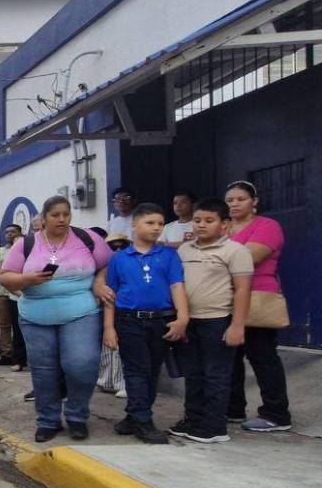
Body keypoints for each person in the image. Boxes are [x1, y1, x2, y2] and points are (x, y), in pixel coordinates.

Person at [0, 196, 113, 442]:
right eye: (55, 215)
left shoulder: (87, 238)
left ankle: (77, 416)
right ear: (43, 218)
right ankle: (48, 420)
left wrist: (99, 282)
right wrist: (27, 279)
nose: (62, 219)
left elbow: (109, 264)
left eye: (66, 214)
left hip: (81, 313)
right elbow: (6, 277)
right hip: (35, 317)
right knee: (44, 372)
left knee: (82, 364)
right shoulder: (26, 244)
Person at [101, 203, 189, 444]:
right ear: (134, 224)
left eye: (160, 223)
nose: (156, 228)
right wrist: (109, 328)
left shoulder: (169, 255)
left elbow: (177, 286)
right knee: (136, 370)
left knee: (151, 372)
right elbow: (110, 295)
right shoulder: (119, 258)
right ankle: (143, 421)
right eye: (150, 223)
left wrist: (182, 318)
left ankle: (133, 416)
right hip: (129, 321)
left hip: (161, 321)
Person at [169, 198, 253, 443]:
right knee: (193, 373)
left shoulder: (236, 251)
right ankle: (193, 419)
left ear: (224, 224)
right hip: (189, 321)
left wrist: (237, 325)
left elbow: (242, 291)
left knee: (215, 374)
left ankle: (215, 426)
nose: (201, 225)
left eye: (209, 221)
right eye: (197, 221)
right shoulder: (185, 250)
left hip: (218, 322)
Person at [225, 180, 292, 432]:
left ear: (254, 201)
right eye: (230, 200)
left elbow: (249, 257)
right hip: (226, 299)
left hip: (257, 297)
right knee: (229, 358)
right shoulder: (224, 228)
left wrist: (214, 253)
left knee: (262, 356)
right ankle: (232, 408)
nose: (234, 204)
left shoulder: (267, 226)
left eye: (240, 199)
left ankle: (276, 414)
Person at [95, 233, 130, 399]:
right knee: (107, 346)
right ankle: (105, 381)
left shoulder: (130, 263)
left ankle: (121, 384)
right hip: (107, 310)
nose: (117, 250)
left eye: (121, 246)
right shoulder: (103, 266)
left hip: (125, 311)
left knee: (121, 348)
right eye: (113, 247)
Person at [0, 224, 23, 367]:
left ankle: (21, 356)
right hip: (1, 291)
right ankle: (6, 354)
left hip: (18, 292)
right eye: (7, 232)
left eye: (13, 232)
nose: (9, 234)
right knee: (4, 325)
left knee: (19, 325)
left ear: (19, 233)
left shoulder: (23, 248)